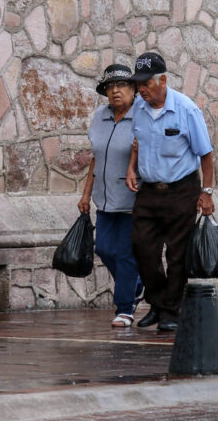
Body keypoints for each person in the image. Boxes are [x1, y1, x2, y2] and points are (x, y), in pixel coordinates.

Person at [125, 52, 215, 332]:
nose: (141, 90)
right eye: (138, 84)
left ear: (163, 80)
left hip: (181, 190)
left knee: (178, 253)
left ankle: (170, 310)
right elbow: (138, 141)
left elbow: (207, 155)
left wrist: (207, 193)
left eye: (146, 84)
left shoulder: (186, 110)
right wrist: (131, 168)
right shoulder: (139, 108)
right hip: (149, 190)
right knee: (142, 247)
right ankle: (158, 302)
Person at [78, 64, 144, 328]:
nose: (115, 91)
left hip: (132, 199)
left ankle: (125, 308)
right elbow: (97, 158)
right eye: (110, 87)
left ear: (133, 89)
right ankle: (135, 285)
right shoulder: (100, 116)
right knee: (104, 249)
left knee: (126, 254)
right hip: (104, 198)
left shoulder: (142, 116)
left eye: (122, 86)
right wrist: (85, 193)